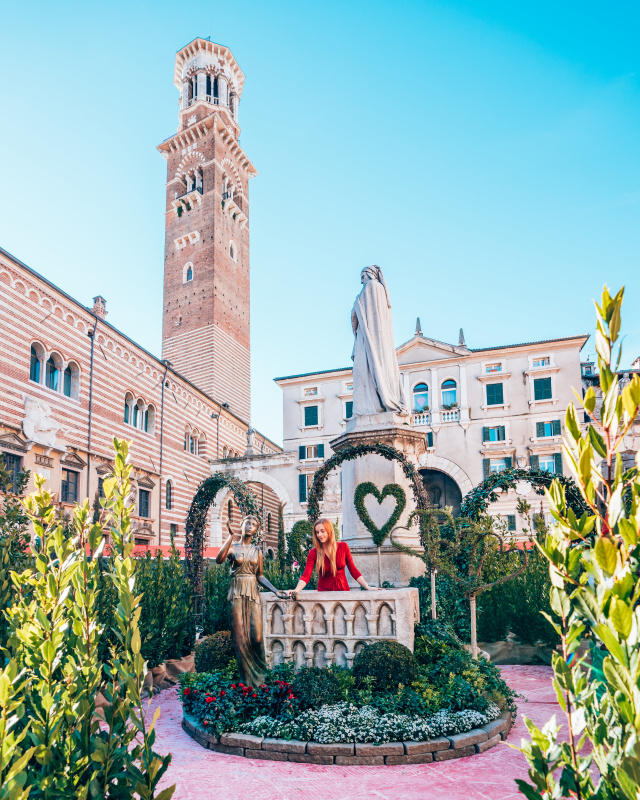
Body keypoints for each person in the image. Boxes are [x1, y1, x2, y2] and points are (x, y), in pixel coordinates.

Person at [216, 514, 289, 687]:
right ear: (241, 525)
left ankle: (261, 677)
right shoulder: (233, 547)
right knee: (240, 638)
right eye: (247, 522)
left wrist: (276, 590)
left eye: (254, 524)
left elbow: (260, 576)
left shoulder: (257, 551)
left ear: (256, 530)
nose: (250, 526)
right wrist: (230, 536)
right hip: (236, 593)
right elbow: (219, 560)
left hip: (253, 593)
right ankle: (246, 683)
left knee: (256, 637)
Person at [290, 518, 381, 594]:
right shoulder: (314, 552)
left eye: (322, 531)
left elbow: (353, 570)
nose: (319, 535)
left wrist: (367, 587)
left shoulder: (343, 546)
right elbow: (306, 575)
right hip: (324, 593)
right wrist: (296, 591)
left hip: (343, 592)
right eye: (317, 532)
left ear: (329, 531)